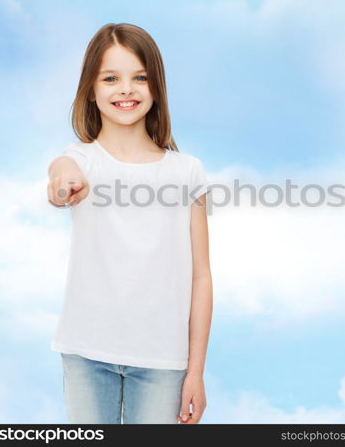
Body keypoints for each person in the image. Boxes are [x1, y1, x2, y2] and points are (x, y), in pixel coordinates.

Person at [47, 23, 213, 424]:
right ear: (91, 88)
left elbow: (201, 277)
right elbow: (61, 172)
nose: (126, 89)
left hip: (163, 363)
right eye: (111, 78)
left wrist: (196, 371)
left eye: (140, 77)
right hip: (87, 354)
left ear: (156, 87)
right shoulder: (81, 161)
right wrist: (63, 182)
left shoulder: (187, 171)